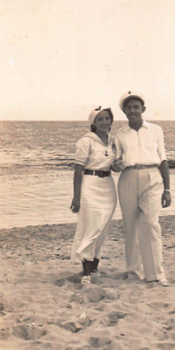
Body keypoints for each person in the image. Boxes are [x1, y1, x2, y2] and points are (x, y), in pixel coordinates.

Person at [113, 91, 171, 287]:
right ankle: (133, 272)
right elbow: (116, 160)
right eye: (129, 108)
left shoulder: (156, 130)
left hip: (152, 177)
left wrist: (167, 189)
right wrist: (116, 165)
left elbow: (163, 159)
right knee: (130, 226)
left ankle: (155, 274)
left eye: (136, 107)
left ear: (143, 109)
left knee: (150, 224)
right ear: (125, 111)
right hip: (128, 178)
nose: (132, 111)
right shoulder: (119, 134)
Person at [70, 106, 118, 285]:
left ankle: (95, 268)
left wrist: (117, 166)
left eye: (107, 119)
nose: (104, 122)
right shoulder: (86, 141)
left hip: (108, 186)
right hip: (90, 186)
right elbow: (78, 169)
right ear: (93, 123)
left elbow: (112, 163)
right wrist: (76, 197)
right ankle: (86, 273)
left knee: (102, 229)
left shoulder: (113, 140)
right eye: (100, 119)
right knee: (90, 227)